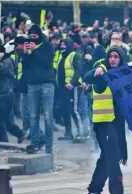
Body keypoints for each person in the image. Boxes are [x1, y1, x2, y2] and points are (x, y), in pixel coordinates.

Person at [83, 46, 128, 194]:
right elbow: (88, 76)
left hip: (115, 122)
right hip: (103, 123)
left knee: (106, 157)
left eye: (116, 57)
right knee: (112, 158)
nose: (112, 59)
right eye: (111, 56)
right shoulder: (102, 70)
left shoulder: (122, 73)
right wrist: (97, 72)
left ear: (121, 59)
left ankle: (94, 191)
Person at [22, 24, 56, 154]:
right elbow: (26, 66)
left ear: (39, 36)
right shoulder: (29, 46)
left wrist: (35, 50)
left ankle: (48, 145)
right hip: (33, 83)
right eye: (30, 37)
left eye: (34, 36)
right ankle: (35, 143)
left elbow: (47, 64)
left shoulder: (48, 46)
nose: (32, 39)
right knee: (33, 116)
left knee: (48, 116)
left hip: (47, 83)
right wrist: (25, 53)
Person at [56, 37, 84, 141]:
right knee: (64, 110)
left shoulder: (75, 55)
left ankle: (81, 133)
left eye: (64, 45)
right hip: (63, 88)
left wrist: (72, 83)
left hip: (73, 87)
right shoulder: (61, 57)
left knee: (74, 110)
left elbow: (79, 70)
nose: (62, 46)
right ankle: (68, 133)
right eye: (61, 45)